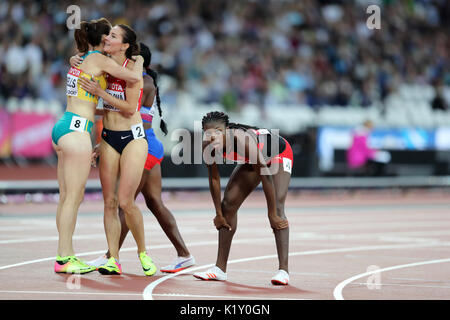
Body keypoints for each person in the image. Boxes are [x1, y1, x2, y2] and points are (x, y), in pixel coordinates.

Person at [85, 43, 195, 273]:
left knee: (124, 203)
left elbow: (134, 119)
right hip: (148, 144)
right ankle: (184, 254)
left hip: (142, 144)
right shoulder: (137, 81)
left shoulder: (142, 82)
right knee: (154, 202)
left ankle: (110, 256)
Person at [52, 18, 143, 274]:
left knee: (65, 197)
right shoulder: (98, 59)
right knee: (74, 198)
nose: (111, 41)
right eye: (109, 37)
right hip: (77, 131)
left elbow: (83, 60)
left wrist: (74, 57)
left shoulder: (81, 59)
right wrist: (141, 58)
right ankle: (64, 258)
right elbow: (135, 76)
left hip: (63, 126)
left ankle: (65, 252)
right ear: (104, 40)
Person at [79, 25, 156, 276]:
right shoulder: (103, 65)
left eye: (113, 36)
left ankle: (143, 252)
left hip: (133, 138)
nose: (107, 38)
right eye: (107, 34)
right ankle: (113, 257)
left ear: (124, 46)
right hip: (109, 138)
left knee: (126, 201)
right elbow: (81, 56)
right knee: (109, 203)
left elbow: (128, 108)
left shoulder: (132, 68)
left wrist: (100, 93)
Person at [193, 111, 291, 285]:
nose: (213, 136)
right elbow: (214, 179)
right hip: (255, 160)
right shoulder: (206, 145)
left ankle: (283, 271)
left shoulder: (241, 139)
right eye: (208, 132)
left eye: (217, 131)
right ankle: (219, 269)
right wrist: (218, 213)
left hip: (278, 154)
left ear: (227, 130)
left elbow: (265, 174)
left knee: (277, 208)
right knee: (228, 205)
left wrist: (271, 214)